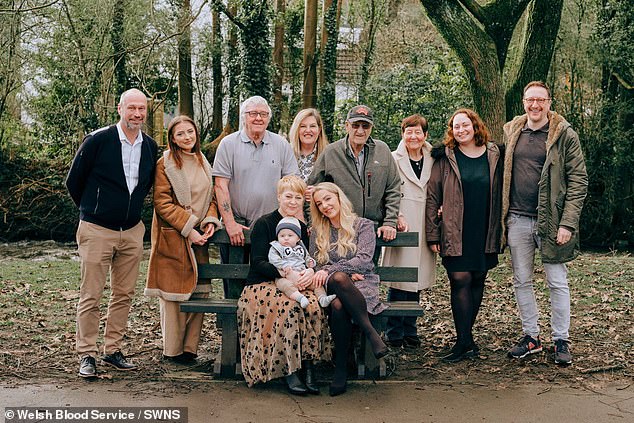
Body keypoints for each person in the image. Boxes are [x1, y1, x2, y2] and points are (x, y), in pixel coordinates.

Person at [65, 88, 158, 378]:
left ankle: (113, 349)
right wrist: (93, 210)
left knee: (123, 294)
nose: (137, 114)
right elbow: (74, 181)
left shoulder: (151, 146)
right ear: (120, 109)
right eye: (131, 108)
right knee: (91, 294)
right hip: (96, 229)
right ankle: (87, 354)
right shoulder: (98, 140)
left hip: (131, 231)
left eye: (142, 109)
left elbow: (147, 185)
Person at [503, 81, 588, 365]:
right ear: (524, 102)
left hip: (552, 221)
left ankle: (561, 339)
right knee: (521, 280)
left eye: (541, 100)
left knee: (557, 281)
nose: (535, 105)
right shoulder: (512, 131)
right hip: (517, 218)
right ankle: (531, 337)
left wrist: (568, 224)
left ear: (549, 102)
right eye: (530, 100)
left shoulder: (564, 134)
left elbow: (579, 181)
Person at [238, 175, 328, 396]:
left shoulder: (303, 228)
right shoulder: (264, 223)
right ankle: (290, 370)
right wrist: (285, 272)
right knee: (290, 308)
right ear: (279, 196)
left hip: (296, 283)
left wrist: (309, 272)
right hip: (263, 284)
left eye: (298, 197)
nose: (293, 202)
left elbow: (309, 257)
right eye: (288, 196)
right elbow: (258, 262)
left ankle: (309, 368)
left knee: (314, 306)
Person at [425, 108, 502, 363]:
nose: (461, 130)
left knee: (478, 278)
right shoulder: (445, 157)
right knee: (459, 279)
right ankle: (462, 342)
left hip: (484, 225)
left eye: (465, 125)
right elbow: (433, 195)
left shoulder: (493, 154)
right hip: (455, 227)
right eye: (456, 126)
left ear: (474, 126)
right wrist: (433, 233)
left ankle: (468, 339)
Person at [144, 116, 222, 364]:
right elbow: (162, 203)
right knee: (173, 296)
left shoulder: (202, 161)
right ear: (172, 138)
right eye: (181, 134)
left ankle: (190, 348)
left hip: (201, 237)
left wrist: (210, 221)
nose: (187, 137)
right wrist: (189, 229)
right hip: (175, 236)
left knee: (199, 293)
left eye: (190, 132)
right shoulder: (164, 164)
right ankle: (173, 351)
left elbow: (211, 198)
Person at [212, 96, 299, 296]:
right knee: (234, 283)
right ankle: (233, 326)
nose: (258, 118)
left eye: (263, 114)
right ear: (244, 117)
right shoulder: (228, 144)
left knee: (269, 284)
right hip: (238, 226)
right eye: (253, 113)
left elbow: (292, 186)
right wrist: (230, 223)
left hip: (273, 228)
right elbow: (220, 185)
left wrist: (292, 221)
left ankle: (263, 326)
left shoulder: (281, 144)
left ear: (269, 118)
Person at [310, 182, 390, 396]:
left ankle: (341, 367)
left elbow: (364, 261)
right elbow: (314, 265)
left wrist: (335, 270)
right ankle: (371, 333)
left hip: (362, 283)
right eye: (319, 204)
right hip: (331, 284)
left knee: (338, 304)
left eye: (328, 199)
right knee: (337, 282)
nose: (325, 206)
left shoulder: (363, 225)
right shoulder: (318, 231)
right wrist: (340, 272)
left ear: (338, 197)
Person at [308, 105, 402, 258]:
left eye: (365, 126)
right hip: (340, 230)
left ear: (371, 128)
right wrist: (313, 224)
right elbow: (312, 191)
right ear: (347, 126)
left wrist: (390, 221)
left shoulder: (383, 150)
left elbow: (393, 188)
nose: (360, 130)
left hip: (372, 229)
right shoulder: (331, 152)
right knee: (344, 275)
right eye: (355, 125)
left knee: (366, 274)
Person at [382, 114, 437, 349]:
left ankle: (410, 330)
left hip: (425, 222)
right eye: (408, 132)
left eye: (418, 132)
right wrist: (394, 216)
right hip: (401, 222)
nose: (413, 136)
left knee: (415, 279)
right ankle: (394, 332)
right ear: (402, 134)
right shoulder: (392, 159)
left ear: (425, 135)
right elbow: (385, 191)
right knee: (398, 279)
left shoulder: (434, 159)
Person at [268, 216, 336, 309]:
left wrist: (310, 263)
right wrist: (283, 265)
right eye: (282, 236)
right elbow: (273, 258)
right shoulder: (277, 247)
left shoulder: (301, 247)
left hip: (302, 274)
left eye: (290, 235)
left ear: (298, 238)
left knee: (317, 283)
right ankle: (300, 298)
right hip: (286, 275)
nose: (286, 238)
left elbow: (307, 257)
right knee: (284, 285)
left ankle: (322, 298)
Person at [288, 108, 329, 183]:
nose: (308, 130)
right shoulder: (286, 152)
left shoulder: (328, 155)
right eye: (303, 126)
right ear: (297, 129)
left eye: (312, 126)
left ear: (319, 130)